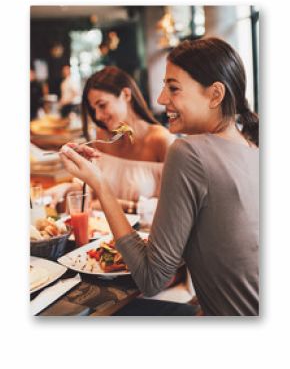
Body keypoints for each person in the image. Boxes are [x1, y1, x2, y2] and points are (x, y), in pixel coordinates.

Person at [60, 37, 259, 316]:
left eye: (173, 88)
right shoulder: (253, 147)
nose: (160, 99)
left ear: (215, 95)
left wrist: (100, 184)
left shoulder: (188, 152)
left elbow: (151, 279)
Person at [47, 66, 174, 216]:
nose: (98, 116)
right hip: (103, 235)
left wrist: (124, 206)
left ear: (126, 95)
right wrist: (68, 188)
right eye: (94, 109)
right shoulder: (102, 136)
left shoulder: (161, 140)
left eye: (102, 105)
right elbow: (94, 187)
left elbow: (175, 208)